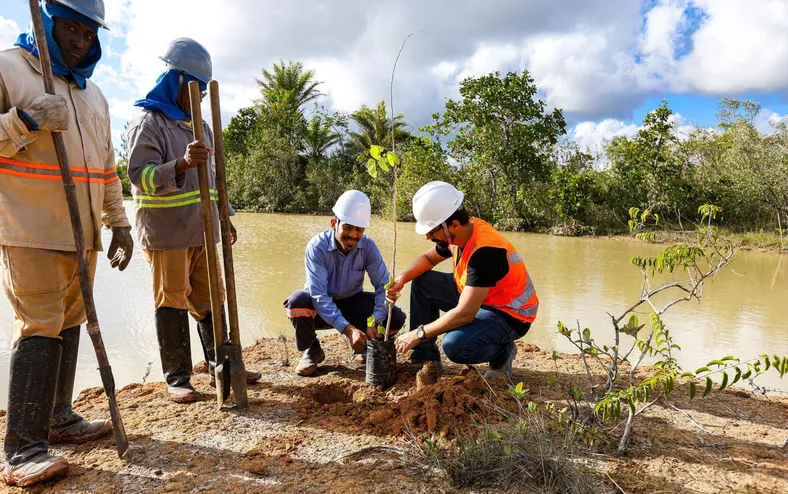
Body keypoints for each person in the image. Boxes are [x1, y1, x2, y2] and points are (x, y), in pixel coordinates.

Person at [0, 0, 134, 486]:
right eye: (71, 29)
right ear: (48, 24)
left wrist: (118, 222)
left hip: (83, 236)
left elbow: (106, 167)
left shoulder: (94, 94)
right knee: (39, 326)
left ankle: (58, 416)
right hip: (30, 230)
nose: (81, 40)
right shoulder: (8, 69)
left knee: (72, 321)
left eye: (89, 33)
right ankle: (21, 450)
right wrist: (25, 121)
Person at [126, 37, 260, 404]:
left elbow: (214, 179)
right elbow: (141, 177)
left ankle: (222, 362)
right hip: (167, 232)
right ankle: (177, 377)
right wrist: (182, 164)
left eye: (203, 90)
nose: (199, 96)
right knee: (171, 299)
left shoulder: (201, 125)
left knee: (210, 297)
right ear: (175, 80)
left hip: (202, 229)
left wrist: (224, 217)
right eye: (195, 88)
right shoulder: (148, 122)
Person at [389, 181, 538, 380]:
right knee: (422, 282)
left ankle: (503, 352)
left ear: (454, 225)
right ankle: (426, 358)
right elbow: (427, 259)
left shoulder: (485, 251)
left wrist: (417, 334)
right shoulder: (460, 234)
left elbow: (465, 314)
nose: (428, 237)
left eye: (432, 231)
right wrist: (402, 279)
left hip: (510, 314)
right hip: (482, 297)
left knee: (455, 345)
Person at [284, 190, 406, 376]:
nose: (353, 235)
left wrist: (374, 321)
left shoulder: (369, 247)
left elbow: (383, 286)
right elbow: (318, 295)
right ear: (334, 224)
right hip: (319, 307)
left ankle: (370, 347)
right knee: (297, 302)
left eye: (359, 230)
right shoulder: (317, 247)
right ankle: (312, 349)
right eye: (348, 228)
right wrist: (348, 330)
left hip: (351, 301)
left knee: (394, 315)